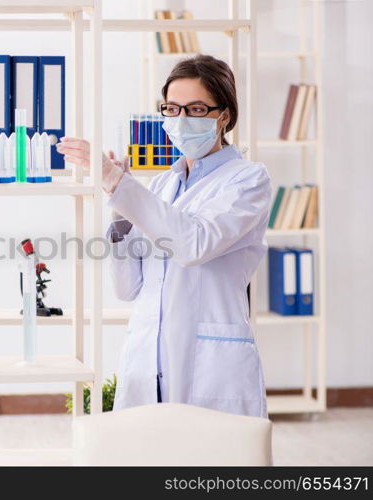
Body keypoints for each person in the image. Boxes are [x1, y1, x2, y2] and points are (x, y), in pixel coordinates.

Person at [56, 55, 271, 418]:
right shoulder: (161, 185)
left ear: (224, 116)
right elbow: (128, 289)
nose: (181, 120)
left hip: (211, 362)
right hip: (147, 356)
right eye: (171, 108)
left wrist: (118, 184)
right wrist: (120, 214)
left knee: (211, 467)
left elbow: (193, 244)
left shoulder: (248, 180)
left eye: (196, 109)